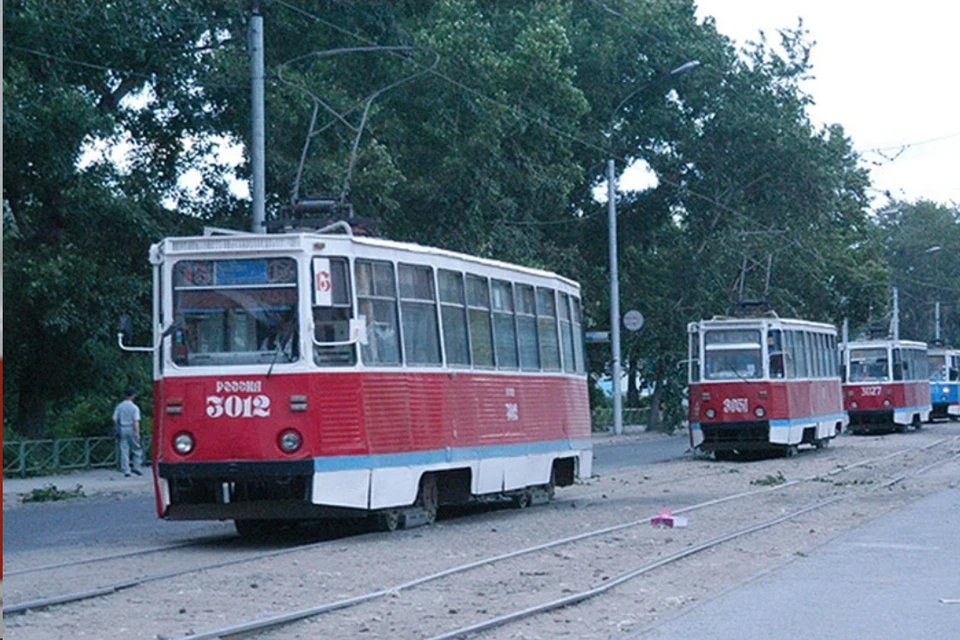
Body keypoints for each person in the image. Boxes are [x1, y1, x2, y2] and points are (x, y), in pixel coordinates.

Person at [113, 387, 144, 477]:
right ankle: (137, 467)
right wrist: (137, 433)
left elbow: (115, 418)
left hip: (122, 428)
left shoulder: (120, 406)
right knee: (136, 448)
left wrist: (118, 426)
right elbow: (136, 421)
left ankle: (126, 470)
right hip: (132, 428)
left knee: (124, 449)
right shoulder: (134, 407)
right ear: (133, 396)